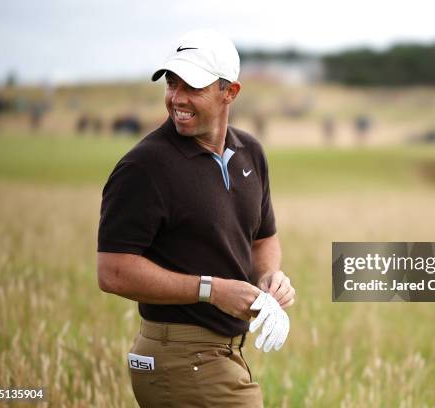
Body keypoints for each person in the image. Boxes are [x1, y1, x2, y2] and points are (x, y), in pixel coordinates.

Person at [96, 29, 295, 407]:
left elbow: (263, 237)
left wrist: (269, 276)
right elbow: (112, 271)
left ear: (230, 92)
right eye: (172, 84)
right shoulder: (145, 166)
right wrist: (213, 290)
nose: (177, 99)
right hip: (179, 359)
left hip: (223, 356)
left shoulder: (250, 152)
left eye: (193, 87)